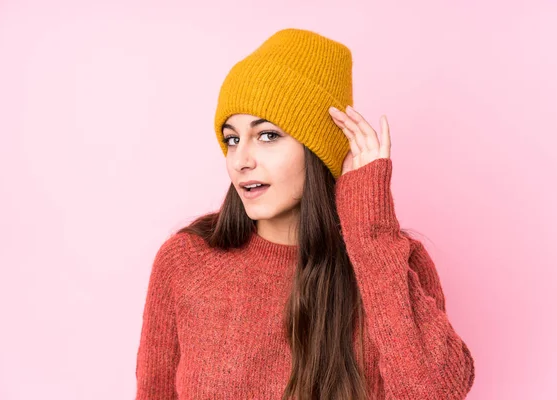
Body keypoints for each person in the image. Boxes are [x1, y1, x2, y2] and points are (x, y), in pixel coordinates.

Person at [135, 28, 475, 400]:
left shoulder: (390, 260)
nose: (241, 161)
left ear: (318, 150)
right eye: (232, 139)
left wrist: (370, 231)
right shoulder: (186, 262)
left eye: (267, 136)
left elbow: (436, 392)